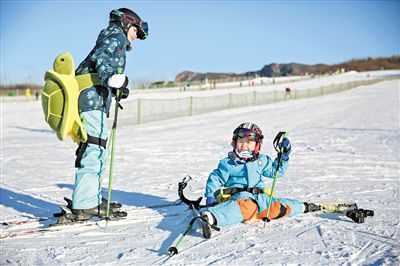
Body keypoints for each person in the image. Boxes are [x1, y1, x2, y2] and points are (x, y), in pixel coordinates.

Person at [70, 8, 148, 220]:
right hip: (91, 99)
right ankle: (85, 202)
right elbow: (101, 56)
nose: (135, 36)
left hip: (96, 98)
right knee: (94, 146)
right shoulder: (115, 35)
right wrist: (110, 78)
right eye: (135, 31)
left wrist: (117, 88)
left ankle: (91, 196)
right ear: (126, 24)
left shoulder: (117, 38)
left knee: (97, 147)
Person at [201, 122, 319, 238]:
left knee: (275, 209)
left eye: (249, 142)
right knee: (246, 208)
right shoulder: (228, 164)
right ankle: (212, 216)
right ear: (234, 143)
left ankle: (303, 207)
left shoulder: (261, 160)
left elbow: (275, 172)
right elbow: (216, 178)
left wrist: (283, 157)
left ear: (257, 145)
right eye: (240, 142)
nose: (244, 146)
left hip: (261, 199)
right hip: (240, 197)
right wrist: (211, 196)